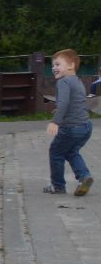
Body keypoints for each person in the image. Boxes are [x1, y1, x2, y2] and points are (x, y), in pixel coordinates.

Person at [45, 48, 94, 196]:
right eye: (53, 65)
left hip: (70, 128)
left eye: (58, 64)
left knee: (56, 152)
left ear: (71, 65)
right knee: (72, 151)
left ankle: (58, 186)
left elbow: (65, 103)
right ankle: (84, 176)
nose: (54, 68)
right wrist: (59, 110)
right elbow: (77, 102)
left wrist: (55, 121)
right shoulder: (77, 81)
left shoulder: (63, 82)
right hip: (85, 126)